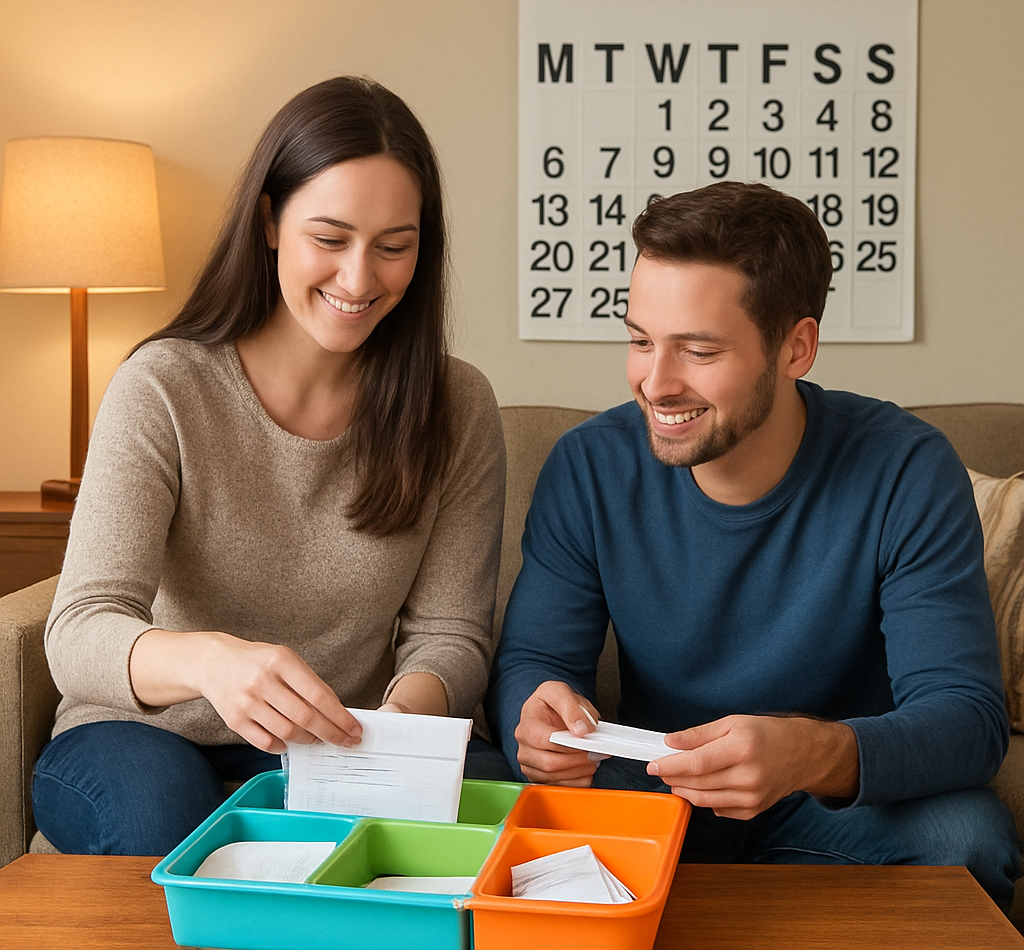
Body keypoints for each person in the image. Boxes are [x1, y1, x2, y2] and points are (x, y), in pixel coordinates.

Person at [486, 181, 1021, 909]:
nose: (656, 383)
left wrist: (809, 752)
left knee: (968, 837)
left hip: (828, 807)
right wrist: (537, 715)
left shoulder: (906, 469)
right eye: (641, 341)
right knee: (461, 783)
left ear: (796, 347)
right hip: (650, 790)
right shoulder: (588, 465)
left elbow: (966, 718)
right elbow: (537, 662)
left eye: (698, 350)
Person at [34, 76, 512, 856]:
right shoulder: (164, 385)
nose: (360, 280)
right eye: (330, 239)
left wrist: (401, 723)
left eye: (395, 246)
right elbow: (81, 631)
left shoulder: (455, 405)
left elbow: (450, 634)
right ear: (268, 222)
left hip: (347, 747)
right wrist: (214, 662)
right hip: (145, 737)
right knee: (168, 824)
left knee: (505, 820)